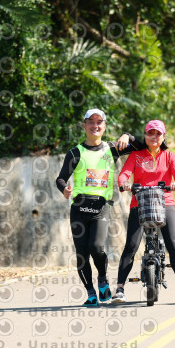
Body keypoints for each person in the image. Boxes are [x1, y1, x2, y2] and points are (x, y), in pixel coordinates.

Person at [56, 109, 146, 307]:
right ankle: (90, 293)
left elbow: (142, 146)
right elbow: (60, 178)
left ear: (104, 126)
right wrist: (64, 189)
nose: (95, 125)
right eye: (91, 122)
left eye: (99, 122)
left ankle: (103, 279)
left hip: (101, 207)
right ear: (84, 125)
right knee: (82, 255)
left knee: (96, 247)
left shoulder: (112, 149)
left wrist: (127, 136)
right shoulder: (75, 153)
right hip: (79, 208)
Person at [112, 119, 175, 303]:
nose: (154, 137)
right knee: (131, 245)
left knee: (172, 242)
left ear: (163, 136)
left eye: (158, 133)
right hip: (139, 203)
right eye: (150, 133)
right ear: (145, 135)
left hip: (165, 202)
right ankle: (120, 289)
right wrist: (124, 183)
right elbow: (124, 174)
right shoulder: (136, 156)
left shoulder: (170, 156)